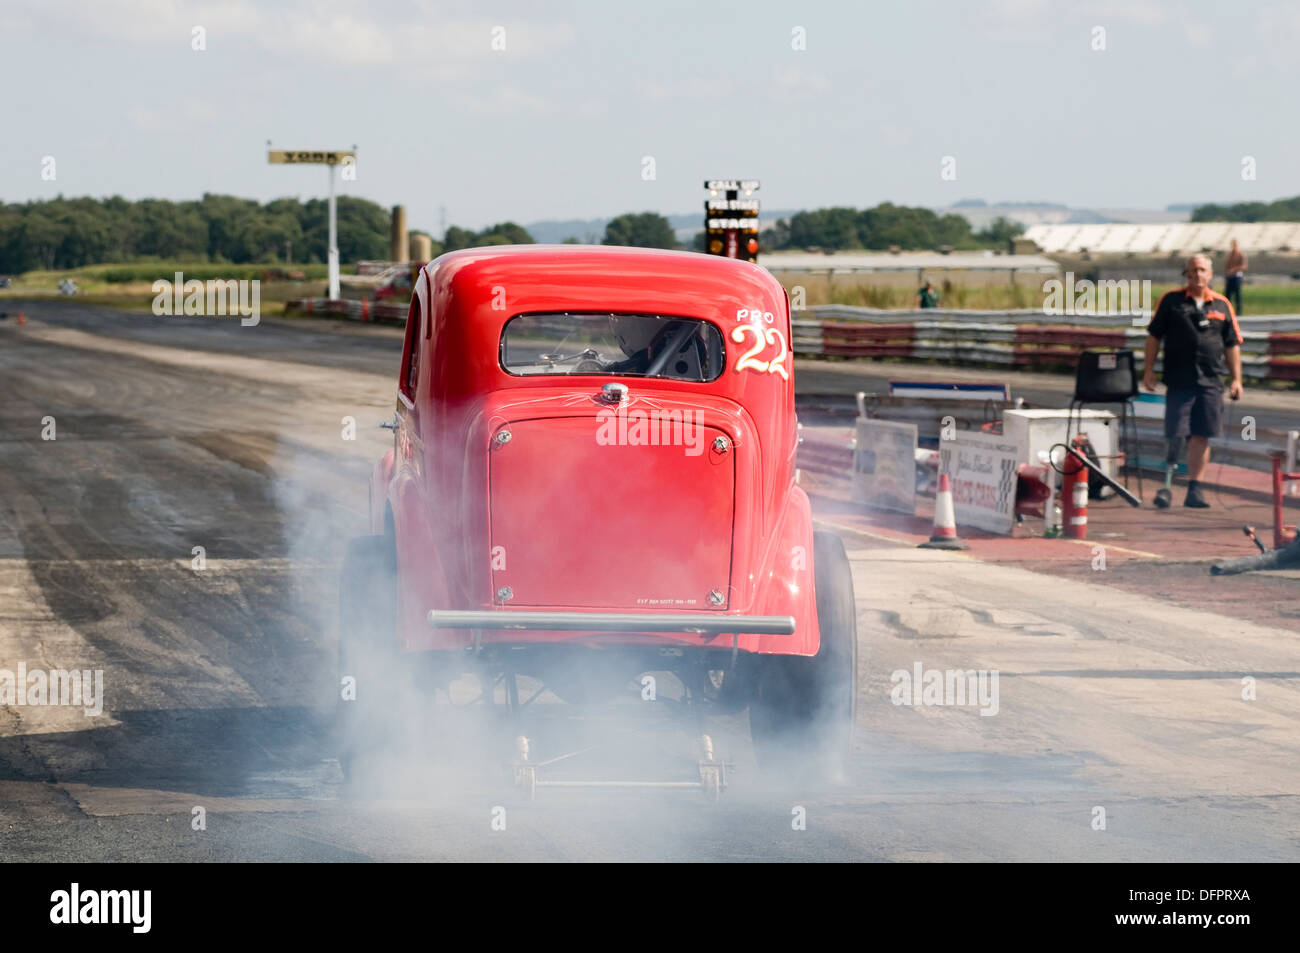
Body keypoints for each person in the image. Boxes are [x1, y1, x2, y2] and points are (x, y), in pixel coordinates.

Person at [1143, 254, 1243, 508]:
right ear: (1186, 274)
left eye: (1202, 270)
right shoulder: (1171, 301)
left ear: (1210, 274)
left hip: (1210, 380)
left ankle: (1195, 489)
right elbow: (1154, 337)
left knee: (1201, 435)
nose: (1197, 274)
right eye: (1192, 270)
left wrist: (1237, 379)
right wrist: (1148, 370)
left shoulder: (1222, 305)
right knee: (1176, 433)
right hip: (1179, 379)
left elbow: (1232, 345)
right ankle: (1166, 487)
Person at [1224, 238, 1247, 315]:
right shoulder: (1230, 255)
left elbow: (1244, 266)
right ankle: (1228, 311)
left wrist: (1234, 269)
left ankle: (1239, 312)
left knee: (1238, 295)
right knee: (1227, 296)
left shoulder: (1240, 254)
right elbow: (1227, 265)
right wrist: (1227, 271)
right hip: (1230, 277)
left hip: (1237, 276)